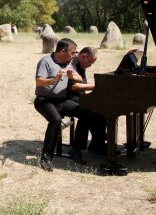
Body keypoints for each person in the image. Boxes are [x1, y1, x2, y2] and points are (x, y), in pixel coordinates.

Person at [33, 38, 82, 171]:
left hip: (60, 101)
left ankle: (76, 148)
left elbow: (80, 78)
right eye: (73, 52)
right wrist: (54, 79)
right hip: (44, 100)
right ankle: (46, 157)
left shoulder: (68, 62)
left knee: (85, 112)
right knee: (55, 120)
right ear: (62, 51)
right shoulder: (45, 61)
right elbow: (39, 82)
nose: (74, 55)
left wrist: (72, 76)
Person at [67, 46, 107, 157]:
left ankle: (97, 144)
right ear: (84, 56)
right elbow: (73, 87)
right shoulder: (71, 64)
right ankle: (76, 147)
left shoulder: (80, 63)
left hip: (78, 97)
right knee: (87, 112)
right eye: (90, 63)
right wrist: (96, 86)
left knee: (102, 109)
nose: (90, 66)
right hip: (67, 98)